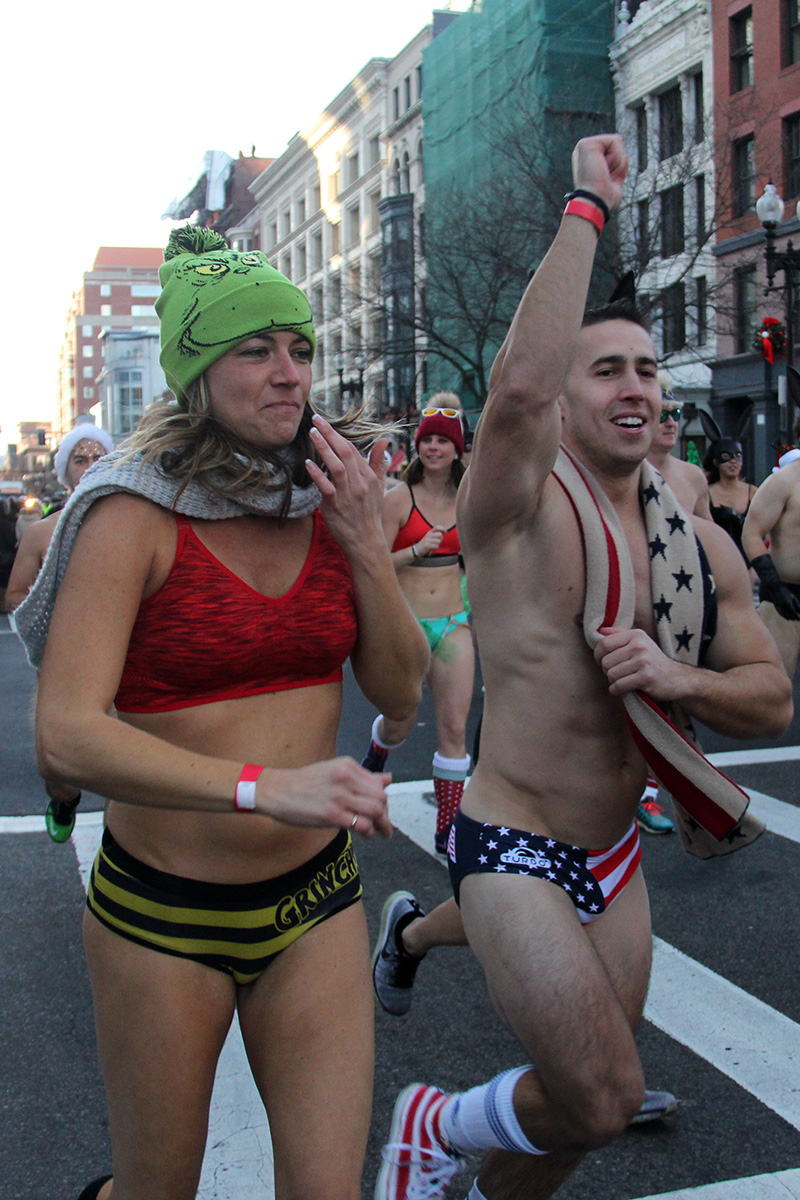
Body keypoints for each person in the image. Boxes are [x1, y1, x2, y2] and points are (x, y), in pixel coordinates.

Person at [372, 134, 792, 1200]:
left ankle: (465, 1164)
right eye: (605, 370)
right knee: (605, 1094)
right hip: (512, 838)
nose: (634, 387)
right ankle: (433, 1120)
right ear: (563, 398)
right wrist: (584, 209)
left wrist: (678, 677)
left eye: (646, 370)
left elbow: (770, 700)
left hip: (614, 857)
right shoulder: (514, 511)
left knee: (577, 1120)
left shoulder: (696, 546)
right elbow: (514, 390)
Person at [15, 226, 429, 1200]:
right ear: (196, 373)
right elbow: (65, 734)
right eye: (255, 350)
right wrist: (262, 787)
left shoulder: (328, 500)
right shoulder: (130, 512)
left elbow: (401, 693)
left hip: (314, 903)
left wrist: (364, 546)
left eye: (299, 348)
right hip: (162, 915)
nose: (289, 372)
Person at [361, 406, 475, 854]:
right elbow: (372, 563)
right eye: (427, 439)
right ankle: (378, 749)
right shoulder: (399, 499)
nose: (433, 447)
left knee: (453, 727)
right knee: (400, 724)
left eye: (443, 440)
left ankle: (448, 828)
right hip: (406, 625)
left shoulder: (469, 498)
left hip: (452, 625)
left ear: (456, 449)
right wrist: (415, 551)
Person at [635, 392, 713, 835]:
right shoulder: (625, 473)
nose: (670, 422)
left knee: (676, 705)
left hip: (685, 605)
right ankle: (642, 795)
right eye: (663, 414)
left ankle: (673, 792)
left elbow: (711, 541)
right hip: (638, 603)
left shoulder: (692, 476)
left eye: (677, 414)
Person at [5, 425, 114, 612]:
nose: (91, 467)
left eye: (98, 458)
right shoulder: (40, 533)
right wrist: (59, 606)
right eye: (80, 461)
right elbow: (13, 597)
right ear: (65, 472)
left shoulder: (133, 525)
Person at [742, 443, 800, 678]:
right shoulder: (785, 481)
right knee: (777, 681)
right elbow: (751, 532)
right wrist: (775, 587)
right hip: (785, 595)